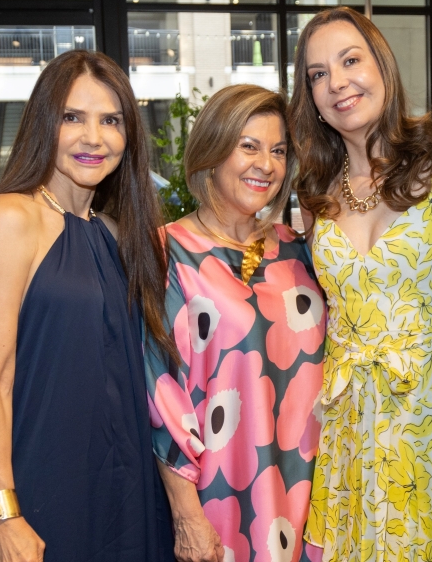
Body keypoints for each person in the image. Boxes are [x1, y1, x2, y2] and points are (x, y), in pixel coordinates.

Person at [0, 50, 175, 562]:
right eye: (73, 117)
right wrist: (3, 515)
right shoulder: (9, 218)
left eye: (111, 121)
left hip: (125, 483)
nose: (93, 138)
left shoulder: (116, 232)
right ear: (43, 124)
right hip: (42, 484)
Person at [289, 7, 432, 562]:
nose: (337, 82)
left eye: (350, 60)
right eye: (318, 74)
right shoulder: (314, 190)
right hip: (350, 423)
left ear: (383, 66)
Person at [145, 84, 326, 562]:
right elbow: (162, 399)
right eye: (249, 146)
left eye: (278, 151)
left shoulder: (300, 249)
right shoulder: (167, 253)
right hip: (222, 499)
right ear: (212, 150)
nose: (266, 164)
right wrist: (187, 515)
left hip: (316, 493)